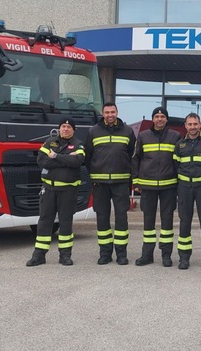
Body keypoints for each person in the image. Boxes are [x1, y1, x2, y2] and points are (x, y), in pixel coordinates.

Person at [26, 118, 85, 267]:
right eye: (63, 126)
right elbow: (42, 161)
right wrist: (65, 160)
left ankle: (65, 256)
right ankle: (39, 255)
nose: (66, 129)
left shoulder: (78, 144)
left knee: (65, 222)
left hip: (68, 190)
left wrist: (56, 156)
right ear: (59, 129)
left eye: (69, 127)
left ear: (74, 130)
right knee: (44, 221)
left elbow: (77, 161)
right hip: (48, 190)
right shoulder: (49, 142)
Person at [86, 102, 136, 265]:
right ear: (103, 113)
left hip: (120, 182)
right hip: (100, 183)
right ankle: (105, 254)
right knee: (102, 217)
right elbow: (88, 156)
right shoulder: (93, 131)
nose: (110, 115)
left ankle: (121, 254)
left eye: (112, 112)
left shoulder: (128, 131)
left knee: (121, 217)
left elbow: (130, 154)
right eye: (107, 112)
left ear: (117, 112)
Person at [131, 106, 180, 267]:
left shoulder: (175, 136)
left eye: (162, 116)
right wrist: (136, 180)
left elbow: (178, 161)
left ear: (166, 119)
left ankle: (166, 255)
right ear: (153, 119)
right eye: (157, 116)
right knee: (148, 223)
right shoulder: (143, 136)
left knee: (167, 223)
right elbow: (136, 159)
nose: (159, 119)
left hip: (169, 186)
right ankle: (147, 255)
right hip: (148, 186)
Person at [173, 112, 201, 271]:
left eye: (195, 124)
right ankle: (184, 257)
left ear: (200, 125)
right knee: (184, 222)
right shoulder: (179, 145)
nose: (192, 127)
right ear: (185, 126)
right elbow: (175, 167)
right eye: (189, 124)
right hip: (184, 187)